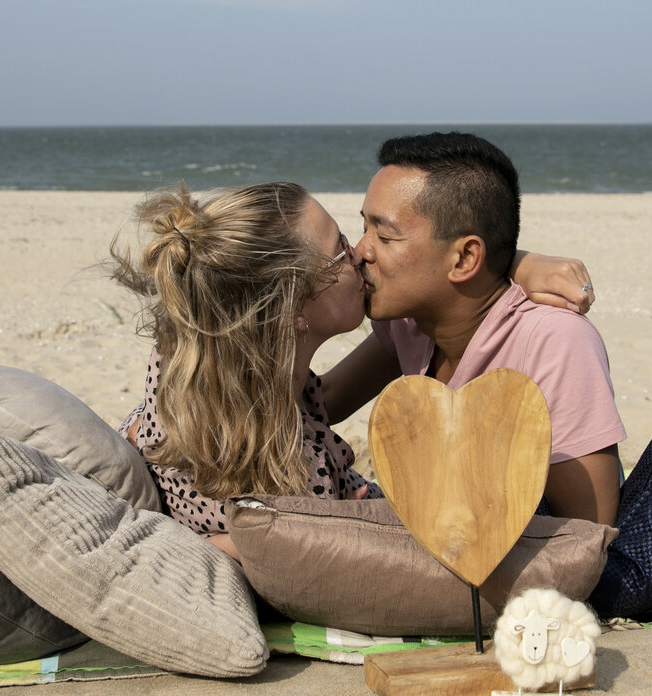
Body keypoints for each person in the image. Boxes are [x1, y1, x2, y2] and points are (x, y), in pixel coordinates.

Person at [112, 180, 593, 559]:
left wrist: (505, 263)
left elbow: (339, 392)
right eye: (342, 248)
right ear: (292, 306)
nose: (361, 252)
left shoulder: (208, 373)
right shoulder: (299, 482)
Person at [319, 132, 626, 526]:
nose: (361, 251)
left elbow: (590, 531)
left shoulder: (553, 341)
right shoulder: (410, 324)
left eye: (385, 235)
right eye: (363, 227)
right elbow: (326, 399)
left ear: (465, 258)